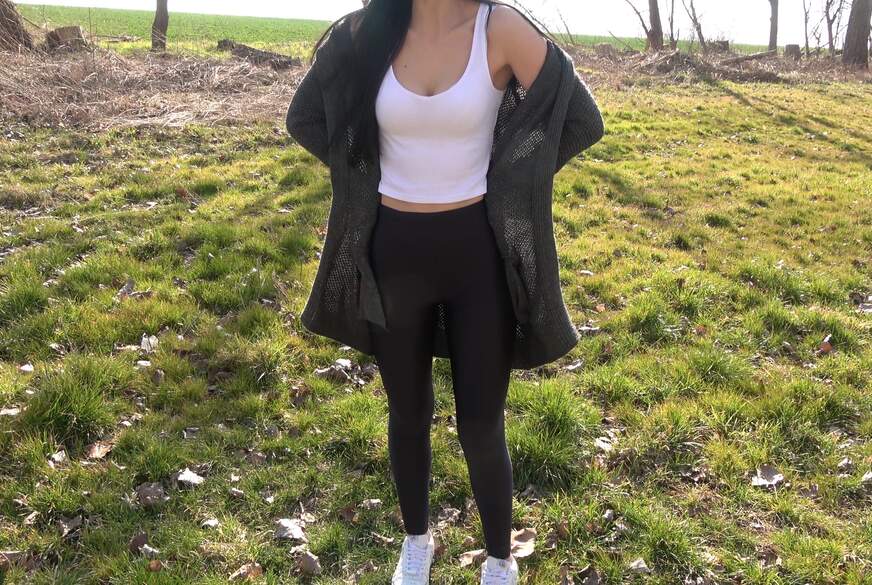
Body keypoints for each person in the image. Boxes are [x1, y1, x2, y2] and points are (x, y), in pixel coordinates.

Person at [286, 1, 604, 582]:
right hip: (392, 255)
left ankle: (500, 561)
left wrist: (515, 180)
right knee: (407, 413)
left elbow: (580, 119)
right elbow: (305, 118)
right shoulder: (365, 30)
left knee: (481, 425)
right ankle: (416, 544)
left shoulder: (499, 28)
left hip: (477, 258)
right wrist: (358, 173)